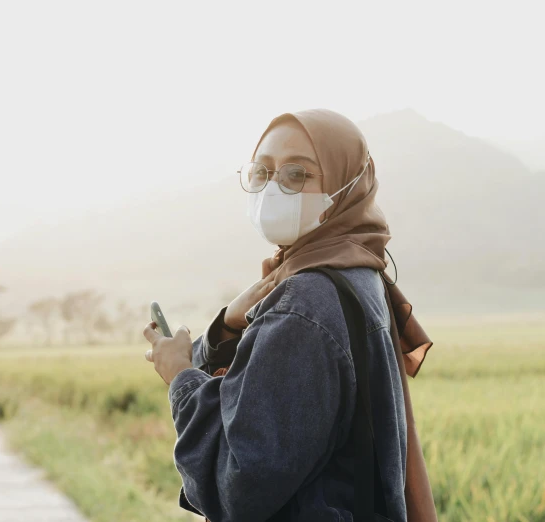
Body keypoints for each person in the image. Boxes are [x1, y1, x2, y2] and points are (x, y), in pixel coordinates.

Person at [143, 109, 436, 521]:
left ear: (348, 183)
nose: (274, 189)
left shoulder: (306, 301)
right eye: (262, 173)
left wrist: (180, 377)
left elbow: (241, 486)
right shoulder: (357, 272)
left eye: (297, 174)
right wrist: (226, 325)